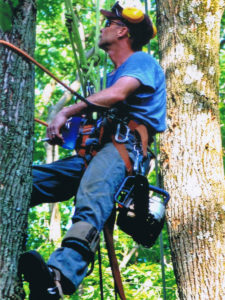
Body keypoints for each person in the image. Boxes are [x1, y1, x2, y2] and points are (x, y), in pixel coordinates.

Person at [19, 2, 166, 299]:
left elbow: (117, 95)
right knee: (23, 182)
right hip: (97, 153)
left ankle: (58, 280)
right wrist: (72, 133)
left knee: (92, 200)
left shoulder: (141, 62)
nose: (103, 28)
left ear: (122, 30)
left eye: (108, 23)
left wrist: (66, 112)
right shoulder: (114, 75)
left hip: (123, 151)